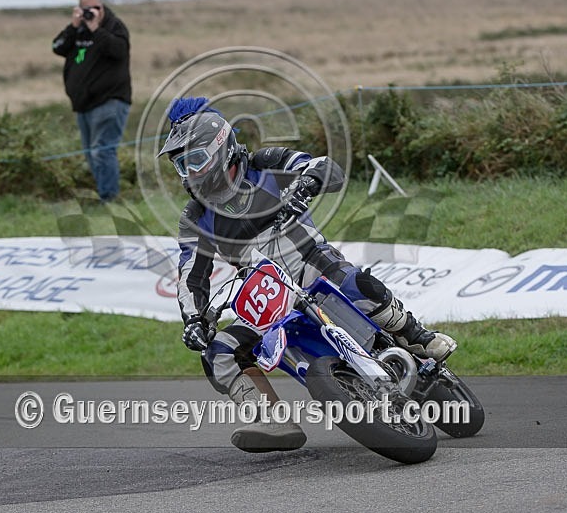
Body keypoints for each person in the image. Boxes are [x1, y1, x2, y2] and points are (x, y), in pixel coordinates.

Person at [158, 97, 457, 453]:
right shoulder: (194, 217)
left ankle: (414, 335)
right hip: (268, 297)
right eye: (180, 166)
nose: (189, 173)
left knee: (359, 285)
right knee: (218, 351)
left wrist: (310, 182)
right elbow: (191, 273)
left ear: (220, 147)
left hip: (316, 265)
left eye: (194, 160)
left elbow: (322, 165)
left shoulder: (266, 163)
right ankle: (269, 418)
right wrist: (193, 319)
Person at [52, 0, 132, 204]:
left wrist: (96, 28)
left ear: (102, 7)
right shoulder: (77, 30)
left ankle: (109, 198)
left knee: (102, 151)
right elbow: (57, 47)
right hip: (83, 105)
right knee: (91, 154)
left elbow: (119, 51)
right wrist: (73, 26)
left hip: (109, 100)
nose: (91, 13)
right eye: (86, 9)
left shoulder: (114, 26)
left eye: (95, 8)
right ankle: (105, 195)